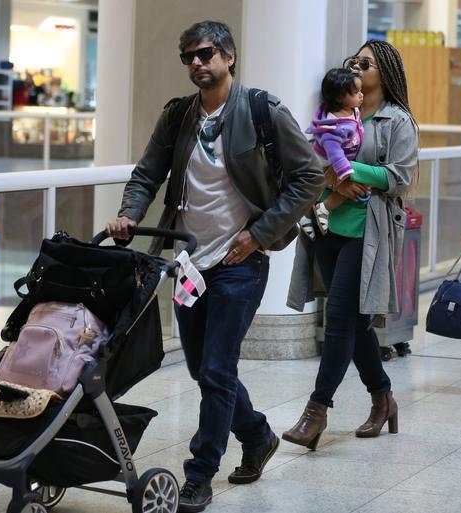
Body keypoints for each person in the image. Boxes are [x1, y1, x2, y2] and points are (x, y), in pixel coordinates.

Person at [105, 21, 324, 512]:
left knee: (218, 370)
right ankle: (258, 434)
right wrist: (129, 214)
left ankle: (201, 472)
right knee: (205, 370)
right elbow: (147, 174)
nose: (197, 64)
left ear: (228, 56)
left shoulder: (262, 110)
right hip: (188, 262)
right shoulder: (179, 116)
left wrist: (259, 234)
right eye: (188, 58)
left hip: (238, 262)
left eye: (205, 54)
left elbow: (309, 176)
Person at [284, 40, 418, 449]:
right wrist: (329, 174)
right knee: (354, 323)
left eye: (366, 63)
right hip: (327, 227)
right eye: (354, 62)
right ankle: (383, 398)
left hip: (369, 231)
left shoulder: (398, 121)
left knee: (340, 319)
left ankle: (316, 412)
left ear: (386, 72)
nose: (357, 69)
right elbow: (312, 158)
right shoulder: (337, 113)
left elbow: (401, 177)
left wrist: (347, 168)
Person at [303, 67, 365, 236]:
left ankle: (320, 209)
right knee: (320, 185)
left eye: (360, 91)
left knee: (352, 188)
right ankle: (311, 213)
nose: (361, 95)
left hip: (341, 159)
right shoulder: (334, 126)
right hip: (326, 159)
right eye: (355, 92)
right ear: (339, 97)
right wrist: (343, 169)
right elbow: (334, 152)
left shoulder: (352, 110)